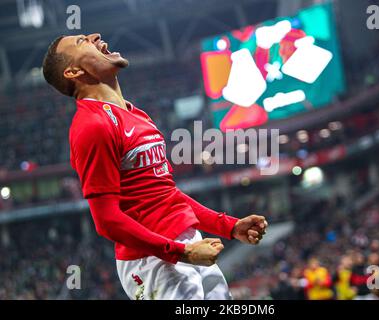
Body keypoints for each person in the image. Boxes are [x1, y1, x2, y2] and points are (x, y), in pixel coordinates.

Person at [42, 33, 268, 300]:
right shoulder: (91, 126)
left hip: (188, 242)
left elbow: (167, 194)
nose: (95, 36)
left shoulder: (137, 115)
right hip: (152, 260)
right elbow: (106, 221)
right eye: (82, 41)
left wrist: (229, 226)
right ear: (73, 71)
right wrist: (180, 253)